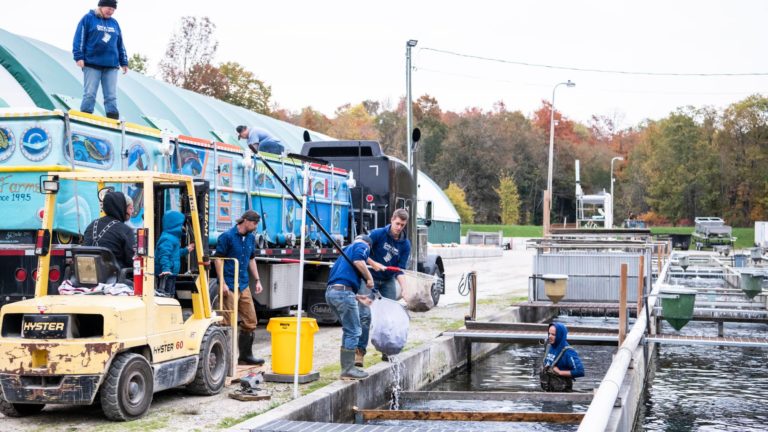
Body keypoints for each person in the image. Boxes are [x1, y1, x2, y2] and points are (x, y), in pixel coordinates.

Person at [214, 210, 264, 366]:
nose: (256, 227)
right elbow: (218, 260)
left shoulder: (250, 238)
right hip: (229, 284)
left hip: (243, 284)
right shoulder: (227, 237)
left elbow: (251, 259)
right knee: (227, 323)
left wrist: (257, 280)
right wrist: (222, 282)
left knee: (251, 321)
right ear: (246, 221)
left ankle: (245, 356)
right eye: (255, 223)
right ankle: (225, 361)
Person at [362, 208, 411, 362]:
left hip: (388, 280)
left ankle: (387, 351)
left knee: (389, 317)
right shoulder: (377, 234)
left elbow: (399, 270)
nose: (399, 227)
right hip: (370, 277)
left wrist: (404, 289)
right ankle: (359, 352)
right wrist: (373, 263)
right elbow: (360, 252)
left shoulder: (405, 245)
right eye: (397, 223)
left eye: (402, 225)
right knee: (364, 315)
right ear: (392, 220)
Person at [325, 235, 375, 380]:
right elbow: (359, 261)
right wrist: (369, 278)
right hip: (343, 293)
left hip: (332, 293)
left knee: (349, 329)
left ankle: (347, 368)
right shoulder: (362, 245)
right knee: (354, 330)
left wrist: (356, 296)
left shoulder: (345, 251)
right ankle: (348, 369)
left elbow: (340, 277)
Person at [72, 0, 128, 120]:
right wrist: (78, 56)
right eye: (109, 8)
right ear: (101, 6)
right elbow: (79, 37)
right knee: (90, 94)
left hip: (111, 65)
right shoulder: (88, 18)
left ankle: (113, 119)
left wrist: (124, 61)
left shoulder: (114, 23)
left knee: (111, 95)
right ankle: (85, 117)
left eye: (113, 10)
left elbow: (120, 43)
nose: (111, 11)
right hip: (92, 63)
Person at [83, 191, 135, 268]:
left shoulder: (91, 226)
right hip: (116, 277)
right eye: (130, 208)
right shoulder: (125, 230)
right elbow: (131, 260)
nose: (132, 211)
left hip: (89, 275)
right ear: (121, 207)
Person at [155, 210, 194, 298]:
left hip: (171, 273)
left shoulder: (173, 238)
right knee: (166, 295)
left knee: (170, 294)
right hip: (166, 275)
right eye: (181, 225)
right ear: (175, 225)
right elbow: (164, 255)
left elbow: (174, 254)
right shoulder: (167, 238)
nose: (183, 227)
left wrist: (186, 250)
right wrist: (165, 269)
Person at [540, 322, 584, 392]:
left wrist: (560, 372)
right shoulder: (549, 346)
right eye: (549, 334)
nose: (550, 336)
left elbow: (580, 371)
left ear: (560, 335)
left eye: (553, 334)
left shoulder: (568, 352)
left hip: (562, 394)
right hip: (548, 391)